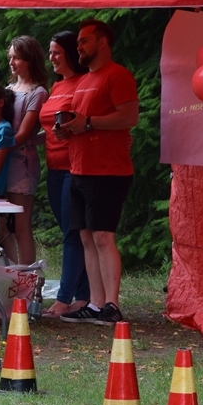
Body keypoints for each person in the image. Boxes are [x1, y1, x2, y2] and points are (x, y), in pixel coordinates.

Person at [58, 19, 139, 325]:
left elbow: (129, 116)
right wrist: (70, 130)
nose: (78, 47)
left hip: (108, 171)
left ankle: (112, 305)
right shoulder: (84, 80)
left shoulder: (117, 75)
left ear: (103, 42)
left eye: (84, 41)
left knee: (104, 236)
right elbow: (82, 120)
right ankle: (94, 303)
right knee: (87, 237)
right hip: (79, 168)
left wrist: (88, 123)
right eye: (78, 42)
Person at [37, 31, 91, 318]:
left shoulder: (84, 83)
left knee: (72, 233)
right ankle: (83, 296)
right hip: (54, 168)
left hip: (76, 166)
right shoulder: (57, 86)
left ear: (70, 53)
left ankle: (63, 298)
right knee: (70, 232)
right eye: (50, 52)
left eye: (57, 52)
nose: (52, 58)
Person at [3, 36, 48, 265]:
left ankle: (28, 281)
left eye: (17, 57)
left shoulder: (37, 93)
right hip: (1, 164)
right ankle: (9, 278)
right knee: (3, 228)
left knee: (21, 225)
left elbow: (23, 135)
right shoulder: (8, 89)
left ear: (30, 59)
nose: (12, 62)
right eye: (10, 57)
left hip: (22, 164)